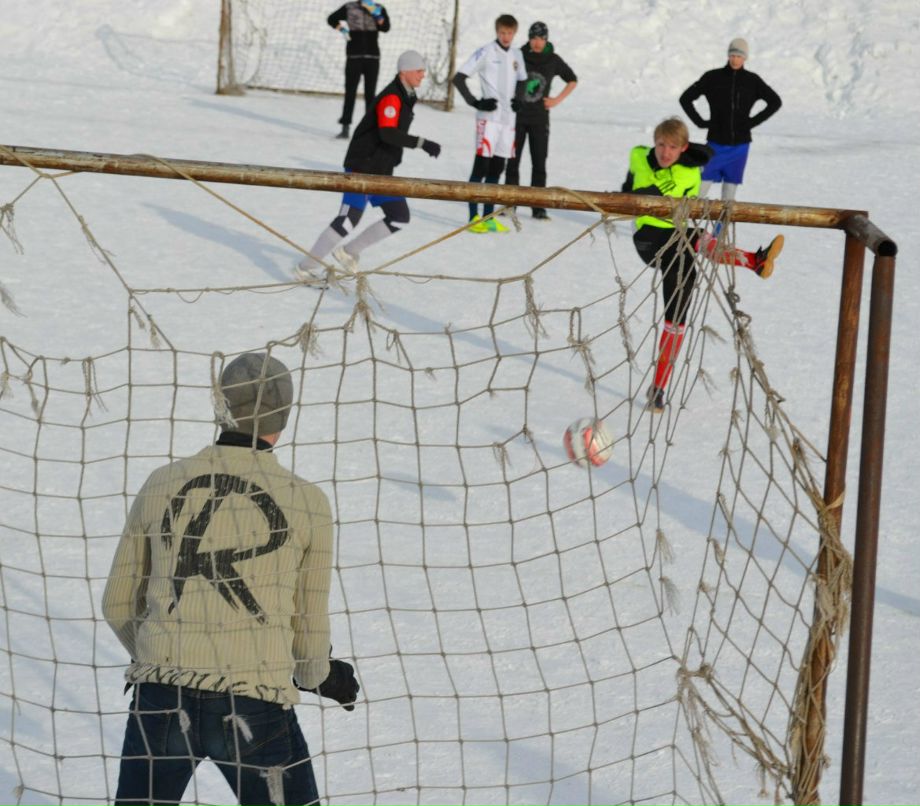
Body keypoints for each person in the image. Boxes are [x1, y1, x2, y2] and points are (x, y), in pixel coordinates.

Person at [103, 352, 359, 805]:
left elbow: (117, 604)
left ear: (220, 407)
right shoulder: (308, 502)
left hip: (161, 700)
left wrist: (165, 655)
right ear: (284, 418)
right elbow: (308, 626)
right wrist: (321, 675)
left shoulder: (162, 482)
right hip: (255, 703)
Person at [622, 117, 784, 413]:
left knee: (679, 309)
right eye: (660, 144)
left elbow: (697, 162)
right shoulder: (638, 155)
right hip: (647, 237)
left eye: (673, 147)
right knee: (693, 236)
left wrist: (684, 155)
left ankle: (658, 387)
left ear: (684, 148)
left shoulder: (689, 174)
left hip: (678, 246)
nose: (665, 152)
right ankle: (750, 260)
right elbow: (629, 190)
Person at [295, 50, 441, 279]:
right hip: (362, 167)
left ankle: (348, 252)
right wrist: (422, 143)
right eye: (419, 70)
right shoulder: (392, 97)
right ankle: (304, 269)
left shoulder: (406, 95)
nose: (423, 75)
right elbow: (387, 133)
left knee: (399, 216)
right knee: (346, 220)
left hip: (381, 170)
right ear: (405, 72)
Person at [678, 37, 781, 201]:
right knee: (699, 189)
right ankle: (684, 224)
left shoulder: (752, 80)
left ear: (745, 58)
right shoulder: (713, 77)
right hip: (715, 143)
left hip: (740, 146)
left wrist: (751, 122)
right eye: (732, 55)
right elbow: (685, 98)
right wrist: (700, 122)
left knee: (729, 197)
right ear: (728, 55)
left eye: (739, 56)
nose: (735, 59)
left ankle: (722, 227)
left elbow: (775, 102)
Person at [452, 14, 527, 233]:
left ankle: (489, 215)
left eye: (510, 33)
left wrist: (518, 101)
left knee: (497, 168)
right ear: (497, 32)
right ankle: (473, 217)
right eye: (502, 33)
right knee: (481, 167)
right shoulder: (485, 51)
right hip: (489, 120)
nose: (506, 37)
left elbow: (522, 80)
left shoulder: (516, 54)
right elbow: (459, 79)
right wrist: (476, 102)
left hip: (508, 122)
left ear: (514, 33)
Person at [503, 21, 577, 221]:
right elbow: (504, 75)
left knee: (539, 162)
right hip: (517, 117)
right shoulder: (518, 55)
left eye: (541, 39)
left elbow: (572, 79)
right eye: (533, 38)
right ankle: (510, 203)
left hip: (539, 119)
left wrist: (556, 100)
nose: (536, 43)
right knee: (512, 162)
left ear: (546, 39)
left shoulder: (552, 59)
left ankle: (538, 207)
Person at [327, 0, 391, 139]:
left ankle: (369, 130)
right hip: (353, 56)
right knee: (350, 92)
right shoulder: (349, 7)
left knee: (370, 94)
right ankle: (345, 127)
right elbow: (331, 19)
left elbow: (386, 28)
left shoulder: (379, 8)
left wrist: (378, 16)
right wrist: (342, 29)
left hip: (372, 58)